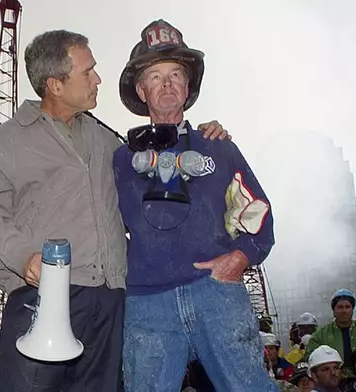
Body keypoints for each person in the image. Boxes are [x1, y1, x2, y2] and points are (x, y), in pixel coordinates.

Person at [0, 29, 229, 392]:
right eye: (88, 72)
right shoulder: (10, 142)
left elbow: (161, 186)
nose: (98, 79)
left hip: (109, 302)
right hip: (42, 297)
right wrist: (22, 257)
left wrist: (205, 139)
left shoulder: (109, 143)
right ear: (55, 84)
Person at [113, 19, 277, 392]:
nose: (167, 84)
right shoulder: (121, 159)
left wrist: (240, 257)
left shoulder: (218, 147)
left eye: (176, 74)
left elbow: (257, 211)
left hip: (216, 292)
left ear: (188, 88)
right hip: (147, 302)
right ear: (141, 90)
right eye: (155, 77)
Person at [305, 289, 356, 381]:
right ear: (333, 310)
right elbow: (310, 358)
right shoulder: (320, 335)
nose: (344, 311)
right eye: (340, 307)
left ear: (352, 309)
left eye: (347, 307)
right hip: (333, 383)